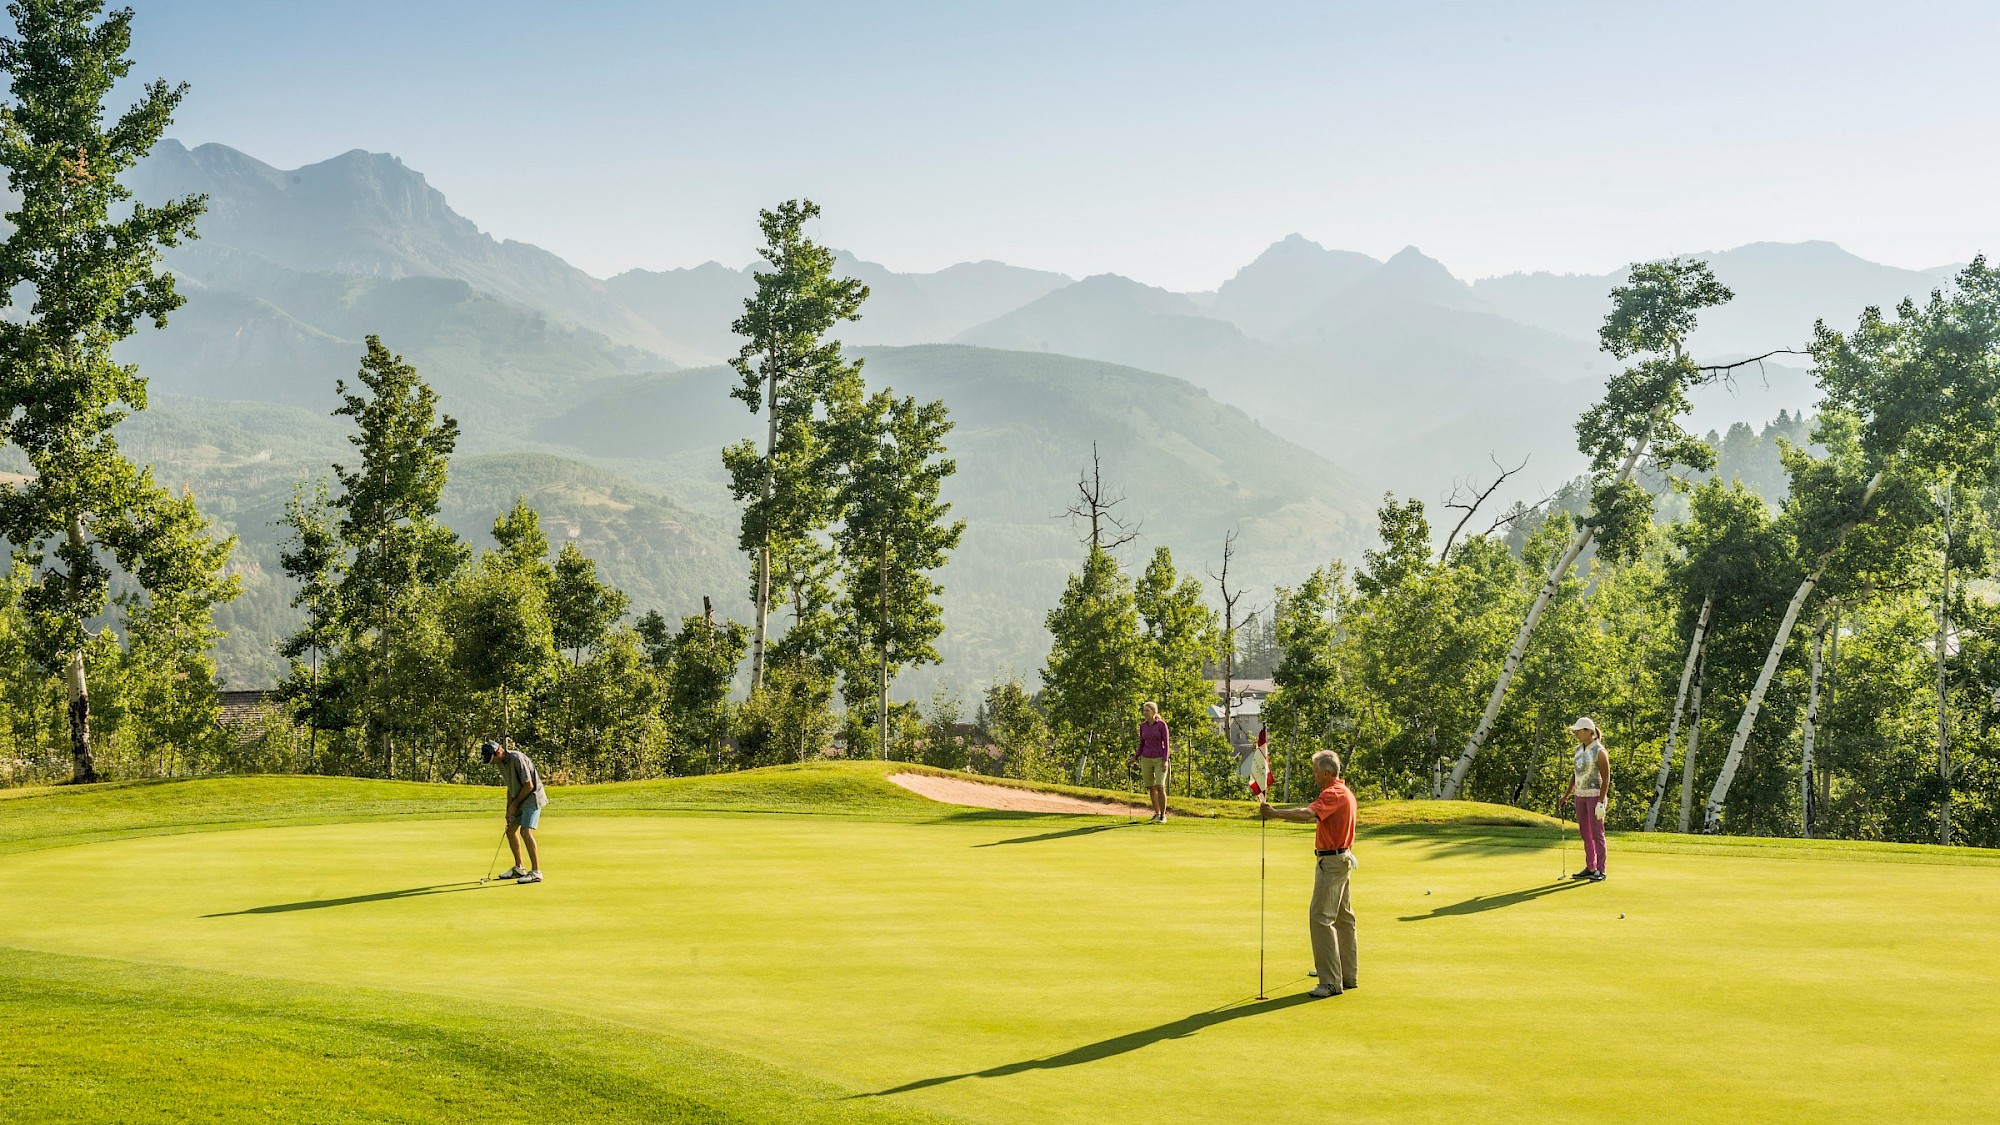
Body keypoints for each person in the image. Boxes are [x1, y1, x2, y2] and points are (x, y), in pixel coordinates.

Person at [1260, 748, 1357, 998]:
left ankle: (1330, 981)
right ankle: (1346, 974)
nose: (1313, 775)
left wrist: (1274, 813)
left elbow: (1307, 814)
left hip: (1332, 862)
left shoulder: (1332, 793)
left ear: (1327, 773)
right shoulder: (1344, 791)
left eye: (1315, 772)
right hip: (1342, 858)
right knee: (1343, 918)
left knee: (1321, 918)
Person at [482, 739, 547, 884]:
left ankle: (536, 872)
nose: (492, 764)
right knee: (510, 831)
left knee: (525, 831)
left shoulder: (517, 758)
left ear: (498, 752)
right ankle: (519, 868)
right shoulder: (501, 764)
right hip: (519, 797)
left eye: (493, 760)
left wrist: (515, 805)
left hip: (533, 797)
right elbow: (511, 787)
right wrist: (508, 809)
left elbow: (528, 785)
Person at [1563, 717, 1610, 882]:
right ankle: (1591, 867)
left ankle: (1601, 870)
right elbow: (1575, 774)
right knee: (1585, 833)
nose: (1576, 733)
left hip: (1595, 796)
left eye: (1579, 730)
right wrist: (1566, 794)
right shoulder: (1578, 750)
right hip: (1580, 796)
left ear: (1589, 731)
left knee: (1597, 833)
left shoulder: (1599, 751)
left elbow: (1606, 778)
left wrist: (1601, 801)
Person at [1131, 701, 1170, 822]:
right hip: (1146, 758)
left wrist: (1165, 760)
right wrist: (1135, 758)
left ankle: (1163, 816)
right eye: (1144, 711)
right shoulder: (1143, 726)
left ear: (1154, 712)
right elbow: (1141, 744)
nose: (1145, 713)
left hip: (1159, 759)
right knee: (1151, 787)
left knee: (1160, 786)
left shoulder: (1161, 725)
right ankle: (1156, 813)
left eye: (1147, 710)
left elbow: (1167, 744)